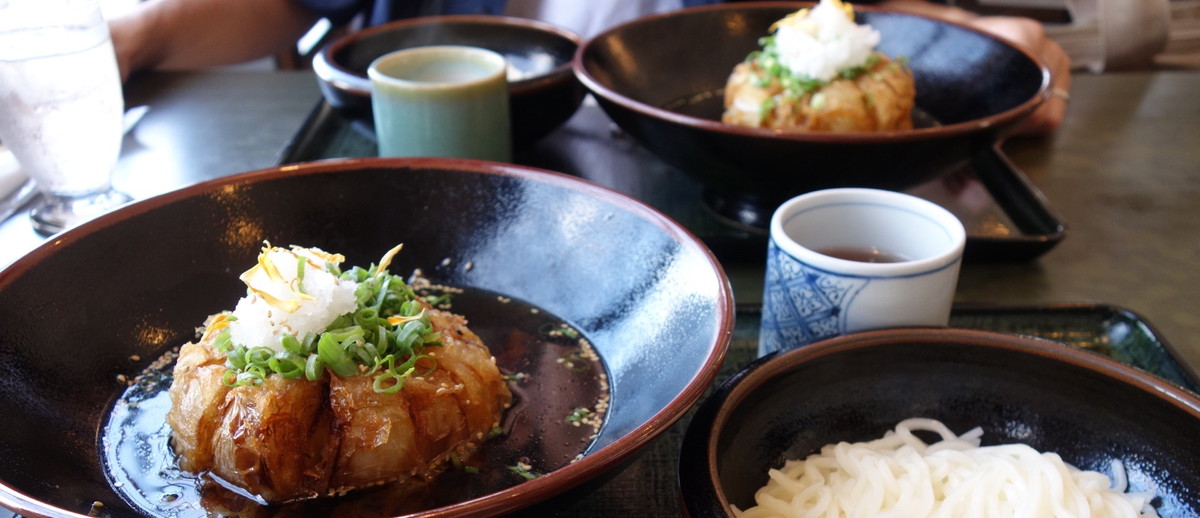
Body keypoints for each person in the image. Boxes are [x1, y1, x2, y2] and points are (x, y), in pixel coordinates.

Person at [108, 0, 1071, 134]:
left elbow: (853, 16)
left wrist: (973, 39)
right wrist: (131, 38)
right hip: (434, 161)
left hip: (719, 189)